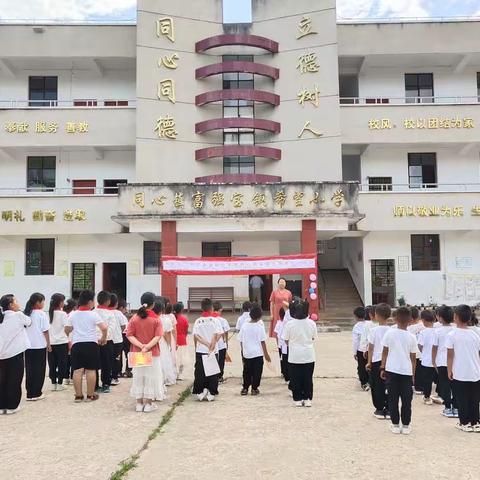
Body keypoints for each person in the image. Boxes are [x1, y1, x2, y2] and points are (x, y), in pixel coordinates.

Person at [380, 306, 417, 435]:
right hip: (406, 371)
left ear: (395, 318)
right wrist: (413, 374)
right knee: (407, 400)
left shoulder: (389, 333)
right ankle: (406, 425)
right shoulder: (412, 337)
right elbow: (413, 358)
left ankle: (395, 424)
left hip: (391, 369)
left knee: (392, 398)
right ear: (410, 320)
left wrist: (382, 367)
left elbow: (385, 352)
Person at [65, 290, 107, 402]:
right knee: (91, 370)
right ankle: (90, 395)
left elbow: (67, 329)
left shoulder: (73, 315)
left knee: (77, 370)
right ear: (89, 302)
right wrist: (103, 338)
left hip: (77, 345)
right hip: (91, 345)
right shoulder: (93, 314)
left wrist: (71, 335)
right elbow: (104, 328)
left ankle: (78, 396)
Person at [125, 292, 164, 412]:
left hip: (137, 352)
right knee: (151, 376)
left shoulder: (134, 318)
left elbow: (129, 334)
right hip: (152, 352)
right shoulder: (156, 320)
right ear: (153, 305)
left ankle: (139, 403)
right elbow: (158, 336)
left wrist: (140, 345)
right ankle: (148, 404)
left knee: (139, 376)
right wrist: (147, 347)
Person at [446, 304, 480, 433]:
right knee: (474, 398)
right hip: (475, 371)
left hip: (460, 372)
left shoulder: (452, 335)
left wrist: (449, 370)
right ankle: (476, 422)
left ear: (455, 317)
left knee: (461, 398)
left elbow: (450, 355)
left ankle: (464, 422)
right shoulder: (475, 335)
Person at [282, 298, 317, 407]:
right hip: (308, 354)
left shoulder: (289, 324)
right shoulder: (311, 323)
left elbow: (286, 340)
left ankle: (297, 398)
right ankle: (307, 399)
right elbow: (313, 338)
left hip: (294, 356)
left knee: (295, 378)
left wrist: (293, 345)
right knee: (307, 377)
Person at [0, 295, 31, 414]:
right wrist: (19, 311)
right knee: (14, 380)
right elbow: (29, 322)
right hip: (15, 353)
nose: (18, 303)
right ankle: (12, 406)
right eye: (16, 301)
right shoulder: (18, 315)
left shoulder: (2, 317)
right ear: (11, 305)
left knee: (2, 380)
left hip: (2, 353)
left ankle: (2, 405)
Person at [192, 298, 223, 402]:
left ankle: (200, 391)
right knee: (213, 372)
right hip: (213, 350)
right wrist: (212, 345)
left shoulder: (198, 321)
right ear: (211, 308)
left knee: (200, 372)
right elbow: (218, 334)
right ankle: (211, 391)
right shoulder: (215, 320)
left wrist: (206, 344)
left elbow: (196, 336)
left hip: (201, 349)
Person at [238, 303, 271, 396]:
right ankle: (254, 388)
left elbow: (240, 340)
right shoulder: (259, 327)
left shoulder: (244, 326)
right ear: (259, 317)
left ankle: (245, 388)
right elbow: (262, 342)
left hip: (247, 353)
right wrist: (266, 354)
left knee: (247, 371)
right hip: (258, 353)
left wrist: (243, 349)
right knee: (257, 371)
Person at [366, 303, 391, 419]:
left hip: (376, 361)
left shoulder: (374, 331)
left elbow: (371, 348)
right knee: (389, 385)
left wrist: (369, 362)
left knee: (377, 386)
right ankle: (390, 408)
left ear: (376, 315)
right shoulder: (392, 330)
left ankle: (380, 408)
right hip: (389, 361)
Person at [24, 292, 50, 401]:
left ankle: (30, 393)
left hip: (28, 346)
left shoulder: (26, 314)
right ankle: (37, 393)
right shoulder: (41, 314)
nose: (44, 303)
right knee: (39, 370)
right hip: (39, 346)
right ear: (37, 302)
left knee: (30, 370)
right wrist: (49, 344)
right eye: (43, 301)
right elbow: (45, 331)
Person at [432, 305, 457, 418]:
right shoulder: (455, 329)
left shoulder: (437, 331)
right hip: (454, 361)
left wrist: (433, 361)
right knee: (455, 385)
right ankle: (456, 407)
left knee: (445, 385)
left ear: (440, 318)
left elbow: (434, 347)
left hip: (442, 361)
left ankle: (447, 407)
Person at [94, 291, 116, 393]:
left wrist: (98, 338)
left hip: (94, 341)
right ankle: (106, 384)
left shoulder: (92, 312)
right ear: (108, 301)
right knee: (106, 364)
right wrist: (104, 338)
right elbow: (112, 328)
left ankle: (94, 384)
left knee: (94, 364)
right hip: (107, 341)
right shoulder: (110, 314)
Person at [47, 293, 69, 391]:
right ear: (60, 302)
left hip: (51, 343)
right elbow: (67, 328)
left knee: (52, 363)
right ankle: (60, 383)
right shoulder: (63, 314)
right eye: (63, 301)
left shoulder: (48, 313)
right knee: (62, 363)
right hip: (61, 342)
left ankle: (53, 383)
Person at [155, 301, 177, 386]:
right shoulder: (165, 319)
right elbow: (168, 334)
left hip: (154, 341)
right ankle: (165, 378)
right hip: (162, 342)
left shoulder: (151, 318)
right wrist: (169, 344)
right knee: (164, 359)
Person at [418, 310, 436, 405]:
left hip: (426, 359)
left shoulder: (423, 332)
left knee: (427, 380)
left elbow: (420, 346)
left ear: (423, 320)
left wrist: (423, 352)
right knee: (438, 378)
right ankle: (440, 394)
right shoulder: (437, 331)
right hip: (436, 360)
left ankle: (427, 396)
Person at [109, 294, 128, 386]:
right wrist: (119, 331)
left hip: (108, 339)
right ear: (116, 304)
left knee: (108, 358)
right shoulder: (119, 314)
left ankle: (108, 376)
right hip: (117, 340)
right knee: (117, 359)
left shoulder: (104, 312)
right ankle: (114, 377)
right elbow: (124, 326)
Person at [407, 306, 424, 395]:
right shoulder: (423, 325)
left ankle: (412, 384)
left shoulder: (408, 328)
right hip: (421, 353)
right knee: (419, 372)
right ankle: (419, 387)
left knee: (412, 370)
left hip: (411, 353)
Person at [352, 306, 369, 391]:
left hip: (360, 349)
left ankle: (364, 383)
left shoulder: (356, 326)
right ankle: (370, 381)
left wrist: (355, 352)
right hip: (369, 349)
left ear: (355, 316)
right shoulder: (369, 324)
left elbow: (355, 341)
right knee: (369, 365)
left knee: (361, 366)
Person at [213, 301, 231, 383]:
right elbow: (226, 332)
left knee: (214, 359)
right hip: (221, 343)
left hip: (212, 343)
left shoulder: (210, 319)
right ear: (221, 309)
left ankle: (213, 376)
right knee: (221, 361)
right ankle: (220, 376)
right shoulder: (223, 320)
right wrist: (226, 342)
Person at [173, 302, 189, 381]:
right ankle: (180, 374)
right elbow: (186, 331)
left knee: (174, 359)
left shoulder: (172, 318)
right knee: (182, 359)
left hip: (174, 340)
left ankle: (174, 374)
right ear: (182, 310)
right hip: (182, 339)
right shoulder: (184, 319)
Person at [63, 298, 77, 385]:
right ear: (74, 307)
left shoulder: (64, 314)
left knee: (67, 359)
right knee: (73, 360)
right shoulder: (74, 314)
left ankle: (66, 377)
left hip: (64, 339)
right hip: (73, 339)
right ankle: (72, 377)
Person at [274, 308, 289, 383]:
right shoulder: (288, 323)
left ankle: (283, 372)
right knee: (286, 359)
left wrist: (277, 344)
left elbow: (276, 334)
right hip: (286, 344)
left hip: (280, 344)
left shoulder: (278, 323)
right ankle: (286, 373)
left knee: (282, 359)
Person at [118, 299, 133, 378]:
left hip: (119, 335)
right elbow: (125, 327)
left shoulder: (115, 315)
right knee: (128, 353)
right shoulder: (122, 316)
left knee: (119, 354)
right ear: (121, 308)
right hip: (125, 335)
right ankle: (128, 370)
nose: (126, 310)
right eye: (125, 308)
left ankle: (118, 371)